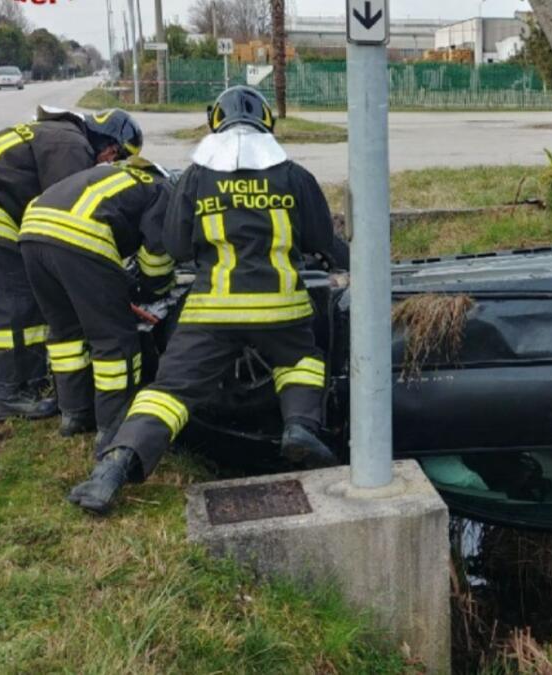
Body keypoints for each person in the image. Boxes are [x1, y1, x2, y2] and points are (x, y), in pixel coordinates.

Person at [68, 86, 349, 515]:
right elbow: (319, 239)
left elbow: (176, 245)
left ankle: (115, 467)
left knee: (169, 392)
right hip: (282, 310)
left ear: (215, 121)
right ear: (267, 121)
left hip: (210, 312)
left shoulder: (197, 177)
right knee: (303, 361)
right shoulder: (293, 173)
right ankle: (299, 428)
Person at [0, 107, 144, 420]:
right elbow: (66, 223)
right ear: (106, 140)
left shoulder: (58, 134)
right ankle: (13, 394)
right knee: (17, 300)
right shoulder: (72, 146)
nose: (111, 162)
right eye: (115, 153)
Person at [19, 157, 175, 443]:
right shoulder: (161, 188)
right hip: (80, 237)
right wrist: (156, 289)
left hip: (32, 234)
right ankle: (114, 427)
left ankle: (75, 415)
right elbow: (156, 254)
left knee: (66, 331)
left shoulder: (110, 176)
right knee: (115, 340)